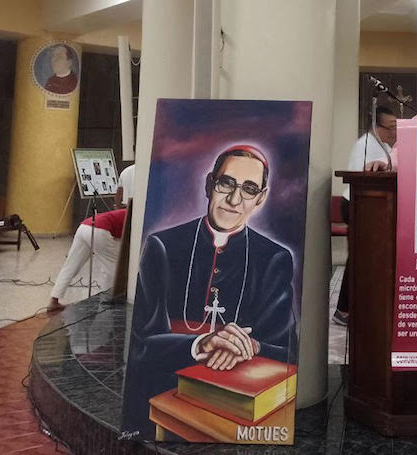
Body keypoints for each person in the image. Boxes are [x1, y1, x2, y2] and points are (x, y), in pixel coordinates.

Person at [122, 146, 296, 438]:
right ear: (209, 184)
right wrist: (200, 343)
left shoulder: (273, 258)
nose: (234, 199)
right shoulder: (162, 246)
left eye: (249, 189)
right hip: (164, 392)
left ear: (261, 198)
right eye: (226, 183)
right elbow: (142, 344)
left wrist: (248, 346)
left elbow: (286, 350)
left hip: (238, 404)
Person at [334, 107, 397, 326]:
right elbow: (360, 179)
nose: (394, 132)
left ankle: (360, 306)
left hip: (371, 205)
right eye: (390, 127)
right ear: (376, 126)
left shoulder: (385, 146)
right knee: (359, 258)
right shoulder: (366, 145)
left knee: (367, 258)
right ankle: (343, 310)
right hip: (357, 204)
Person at [47, 208, 128, 312]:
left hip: (84, 227)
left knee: (70, 266)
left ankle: (53, 301)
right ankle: (107, 303)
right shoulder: (136, 218)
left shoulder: (129, 212)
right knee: (113, 269)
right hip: (101, 230)